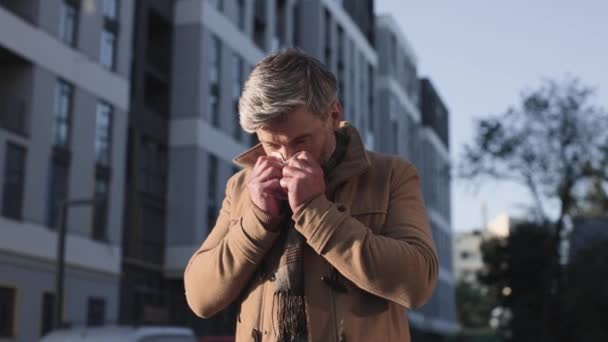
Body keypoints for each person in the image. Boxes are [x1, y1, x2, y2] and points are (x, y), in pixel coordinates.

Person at [184, 48, 438, 342]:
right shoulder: (242, 187)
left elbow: (419, 284)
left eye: (300, 141)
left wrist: (315, 211)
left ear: (333, 114)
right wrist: (258, 220)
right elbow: (200, 298)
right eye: (270, 144)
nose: (286, 157)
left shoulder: (390, 174)